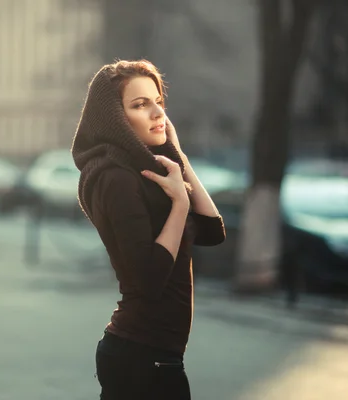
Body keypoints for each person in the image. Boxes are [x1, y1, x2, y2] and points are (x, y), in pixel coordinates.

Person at [71, 59, 226, 399]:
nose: (158, 114)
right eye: (141, 105)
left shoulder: (150, 172)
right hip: (142, 356)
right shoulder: (115, 178)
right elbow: (150, 277)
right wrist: (180, 206)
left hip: (154, 355)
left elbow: (213, 232)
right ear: (116, 119)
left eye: (159, 102)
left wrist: (179, 155)